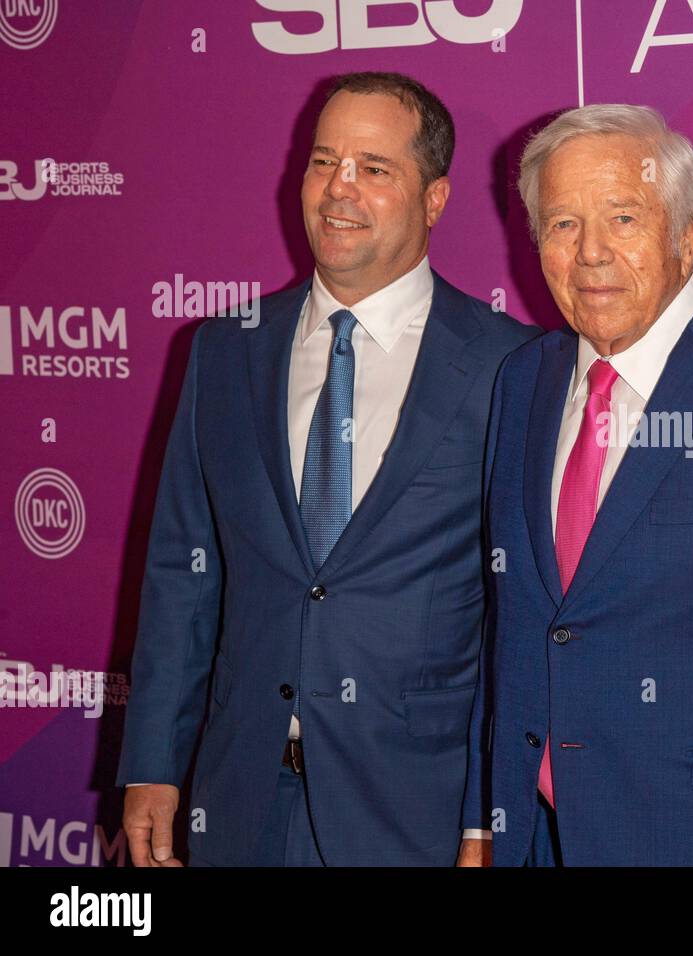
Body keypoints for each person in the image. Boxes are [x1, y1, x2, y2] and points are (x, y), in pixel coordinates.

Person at [115, 72, 536, 866]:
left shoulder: (508, 366)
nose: (339, 189)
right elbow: (182, 575)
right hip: (237, 801)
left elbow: (516, 620)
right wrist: (151, 766)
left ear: (435, 199)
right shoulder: (224, 350)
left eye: (374, 168)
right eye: (323, 161)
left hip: (417, 813)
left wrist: (487, 816)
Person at [456, 104, 693, 867]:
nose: (590, 252)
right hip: (529, 839)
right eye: (562, 224)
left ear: (688, 235)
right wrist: (480, 824)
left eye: (623, 217)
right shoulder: (523, 380)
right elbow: (515, 628)